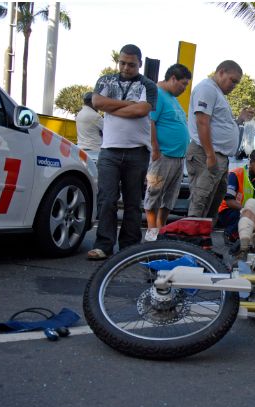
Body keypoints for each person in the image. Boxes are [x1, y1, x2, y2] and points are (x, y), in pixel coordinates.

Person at [87, 44, 158, 260]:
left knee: (132, 202)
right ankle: (103, 245)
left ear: (140, 64)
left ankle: (129, 247)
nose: (126, 68)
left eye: (131, 64)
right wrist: (127, 104)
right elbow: (96, 101)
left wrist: (112, 106)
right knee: (106, 198)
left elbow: (142, 110)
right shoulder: (105, 80)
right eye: (123, 63)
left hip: (138, 152)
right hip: (109, 150)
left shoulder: (148, 85)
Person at [186, 59, 255, 223]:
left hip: (219, 156)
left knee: (213, 199)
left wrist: (239, 120)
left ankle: (201, 239)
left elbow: (220, 124)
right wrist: (210, 155)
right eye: (233, 81)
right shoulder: (207, 89)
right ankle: (190, 242)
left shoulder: (217, 93)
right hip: (206, 153)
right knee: (200, 199)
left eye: (237, 83)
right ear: (221, 72)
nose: (234, 86)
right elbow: (202, 121)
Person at [143, 64, 192, 242]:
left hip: (178, 157)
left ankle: (161, 230)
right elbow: (151, 123)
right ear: (172, 78)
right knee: (154, 194)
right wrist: (155, 149)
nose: (184, 88)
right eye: (183, 84)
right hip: (163, 155)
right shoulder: (157, 94)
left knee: (169, 198)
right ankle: (151, 231)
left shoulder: (172, 98)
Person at [217, 149, 255, 243]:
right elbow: (229, 202)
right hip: (228, 211)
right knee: (241, 215)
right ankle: (230, 234)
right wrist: (248, 210)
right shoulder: (236, 174)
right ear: (251, 162)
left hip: (246, 209)